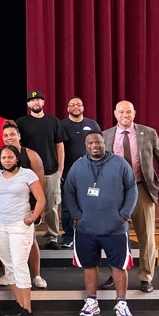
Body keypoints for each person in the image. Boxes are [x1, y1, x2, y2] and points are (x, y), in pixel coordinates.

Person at [64, 131, 138, 316]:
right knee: (89, 265)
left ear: (104, 143)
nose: (94, 146)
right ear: (85, 145)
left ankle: (121, 302)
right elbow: (69, 191)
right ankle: (91, 301)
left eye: (97, 142)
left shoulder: (120, 164)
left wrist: (124, 215)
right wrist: (77, 216)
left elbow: (132, 188)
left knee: (119, 266)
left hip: (115, 228)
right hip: (86, 228)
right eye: (90, 143)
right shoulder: (78, 166)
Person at [102, 100, 159, 293]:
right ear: (115, 114)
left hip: (142, 189)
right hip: (115, 193)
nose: (125, 115)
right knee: (115, 237)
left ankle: (146, 277)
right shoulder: (105, 135)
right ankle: (115, 274)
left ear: (135, 113)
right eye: (121, 112)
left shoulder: (148, 133)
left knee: (146, 236)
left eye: (129, 112)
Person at [0, 144, 46, 316]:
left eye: (10, 157)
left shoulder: (27, 174)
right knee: (8, 264)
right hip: (0, 224)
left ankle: (28, 311)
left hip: (20, 225)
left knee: (19, 264)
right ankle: (19, 304)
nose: (7, 160)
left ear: (17, 158)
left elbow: (41, 199)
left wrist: (32, 218)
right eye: (4, 158)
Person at [0, 120, 47, 289]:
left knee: (30, 241)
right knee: (6, 246)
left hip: (26, 208)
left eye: (12, 134)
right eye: (6, 135)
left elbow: (41, 185)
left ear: (19, 136)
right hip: (4, 210)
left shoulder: (31, 155)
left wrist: (36, 213)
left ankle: (37, 275)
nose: (9, 137)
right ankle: (9, 274)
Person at [16, 90, 67, 249]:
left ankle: (52, 237)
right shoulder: (21, 122)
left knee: (51, 205)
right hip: (27, 171)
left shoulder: (54, 121)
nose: (35, 103)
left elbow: (59, 145)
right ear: (28, 105)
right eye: (32, 101)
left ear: (43, 103)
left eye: (38, 100)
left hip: (50, 171)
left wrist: (60, 169)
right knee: (26, 204)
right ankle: (25, 234)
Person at [60, 97, 101, 248]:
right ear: (67, 108)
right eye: (72, 105)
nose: (75, 107)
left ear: (83, 107)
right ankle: (68, 236)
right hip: (68, 171)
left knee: (90, 203)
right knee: (67, 205)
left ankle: (89, 233)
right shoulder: (61, 125)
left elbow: (100, 145)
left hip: (90, 171)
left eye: (79, 105)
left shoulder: (92, 124)